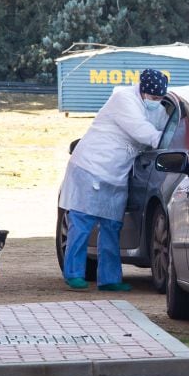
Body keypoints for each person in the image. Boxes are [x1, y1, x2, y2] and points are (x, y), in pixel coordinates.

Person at [58, 68, 167, 291]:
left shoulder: (156, 106)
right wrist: (166, 141)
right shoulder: (123, 99)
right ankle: (73, 274)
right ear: (142, 91)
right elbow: (143, 131)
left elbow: (163, 123)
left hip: (116, 173)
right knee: (82, 221)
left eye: (160, 98)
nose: (156, 102)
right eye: (153, 98)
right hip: (91, 167)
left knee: (111, 226)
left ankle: (109, 279)